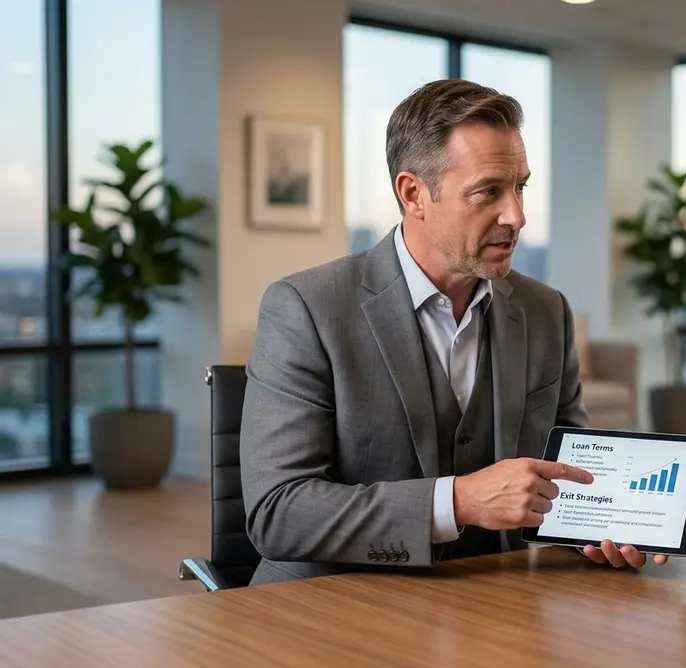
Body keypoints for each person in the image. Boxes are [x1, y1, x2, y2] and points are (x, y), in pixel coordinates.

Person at [239, 79, 660, 586]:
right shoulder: (307, 308)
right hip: (338, 602)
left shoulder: (546, 311)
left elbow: (567, 473)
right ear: (413, 193)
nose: (517, 216)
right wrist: (459, 502)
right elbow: (278, 514)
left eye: (520, 186)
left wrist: (597, 525)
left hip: (498, 598)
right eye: (488, 192)